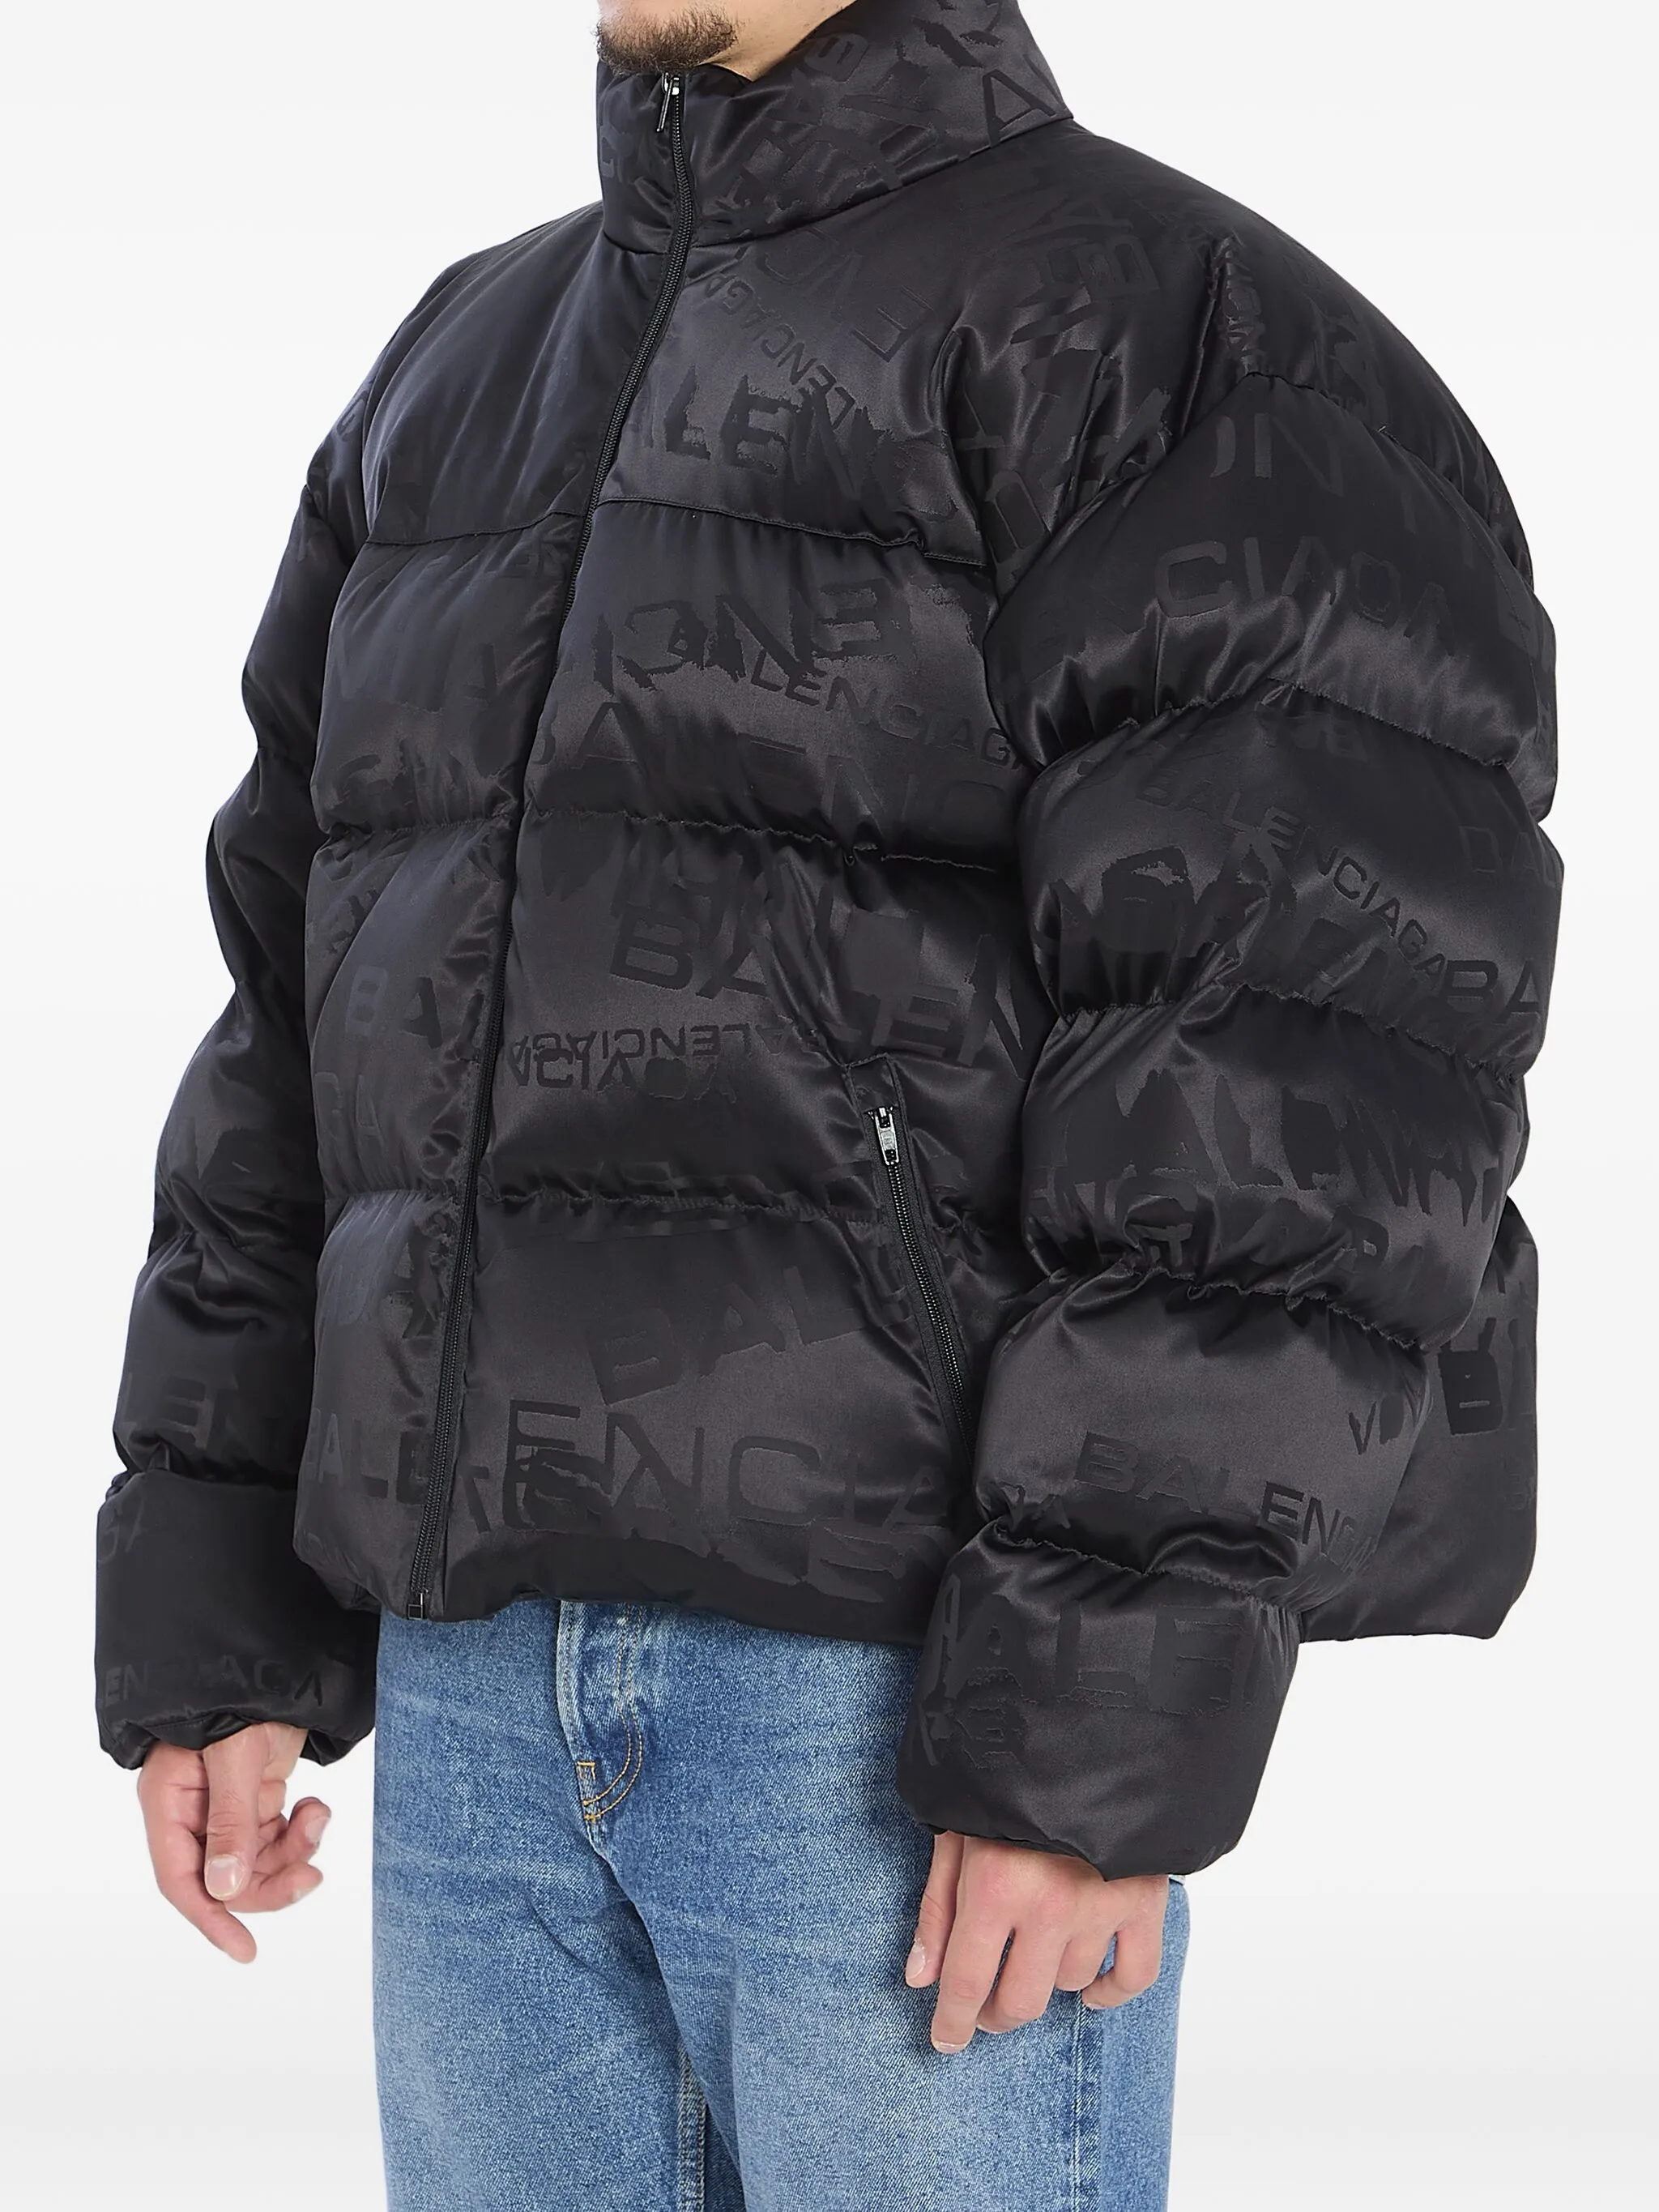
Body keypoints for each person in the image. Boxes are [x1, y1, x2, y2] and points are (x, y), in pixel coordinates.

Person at [95, 2, 1559, 2204]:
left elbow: (1296, 1079)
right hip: (468, 1684)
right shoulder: (460, 369)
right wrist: (220, 1613)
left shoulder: (1180, 340)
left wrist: (1091, 1725)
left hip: (893, 1703)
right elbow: (295, 1021)